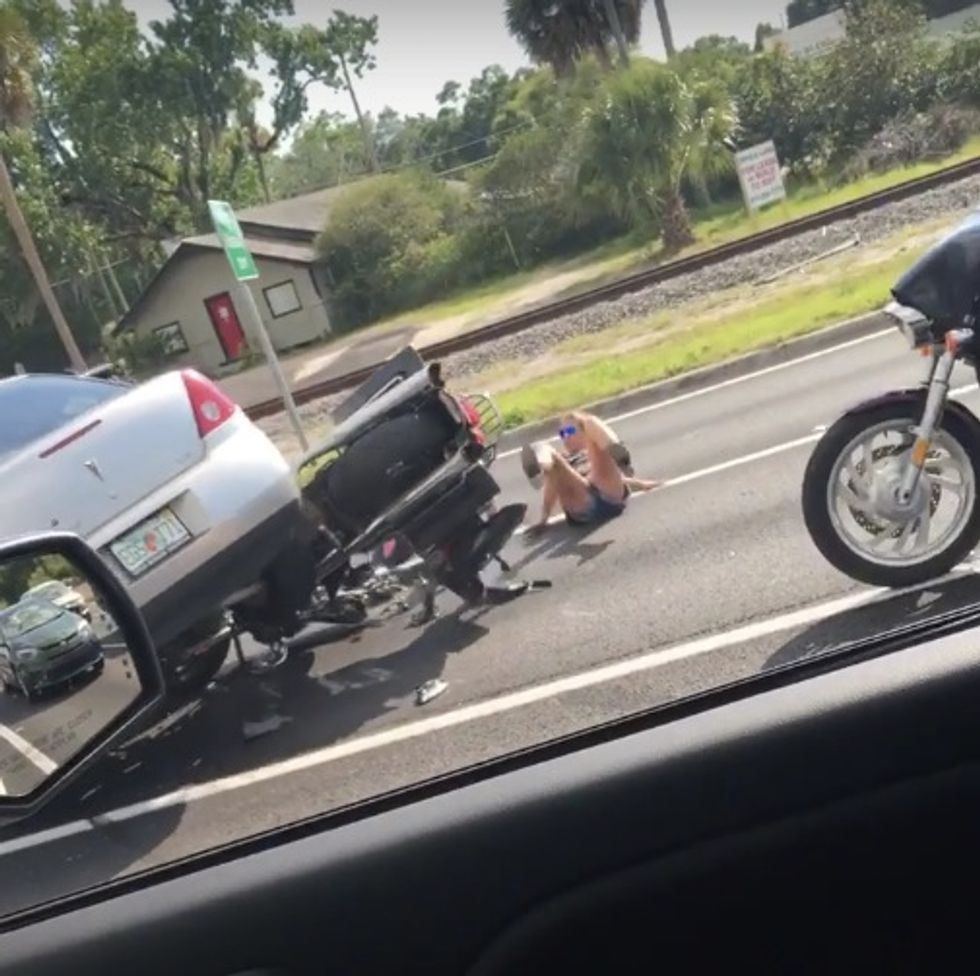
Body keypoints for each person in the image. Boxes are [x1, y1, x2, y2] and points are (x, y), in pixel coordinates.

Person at [521, 411, 662, 532]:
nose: (566, 437)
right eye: (562, 434)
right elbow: (552, 487)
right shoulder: (562, 459)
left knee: (591, 422)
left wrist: (642, 484)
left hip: (607, 490)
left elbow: (618, 479)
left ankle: (618, 453)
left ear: (583, 433)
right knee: (545, 449)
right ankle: (539, 468)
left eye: (570, 431)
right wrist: (544, 519)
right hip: (580, 498)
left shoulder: (594, 451)